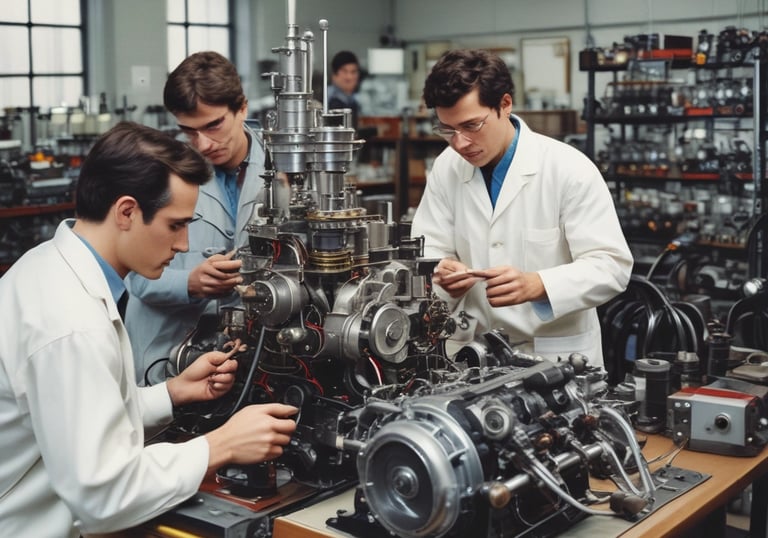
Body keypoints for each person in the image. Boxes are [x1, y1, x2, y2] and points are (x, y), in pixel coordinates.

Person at [0, 121, 297, 537]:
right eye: (176, 224)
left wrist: (172, 393)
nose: (182, 244)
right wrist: (222, 444)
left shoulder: (47, 266)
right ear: (126, 212)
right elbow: (103, 495)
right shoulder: (70, 321)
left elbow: (75, 418)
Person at [411, 49, 633, 367]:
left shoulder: (568, 168)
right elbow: (428, 248)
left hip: (553, 357)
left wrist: (538, 284)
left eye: (472, 126)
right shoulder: (448, 167)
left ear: (504, 104)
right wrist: (441, 270)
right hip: (474, 353)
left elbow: (612, 267)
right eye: (448, 130)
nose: (459, 143)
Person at [125, 51, 288, 384]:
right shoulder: (158, 172)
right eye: (189, 131)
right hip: (163, 356)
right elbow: (133, 275)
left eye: (214, 125)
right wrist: (190, 283)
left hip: (243, 357)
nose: (203, 144)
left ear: (241, 107)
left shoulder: (283, 170)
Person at [326, 50, 361, 127]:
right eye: (344, 71)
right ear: (334, 75)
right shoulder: (329, 99)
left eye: (353, 72)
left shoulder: (353, 100)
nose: (349, 77)